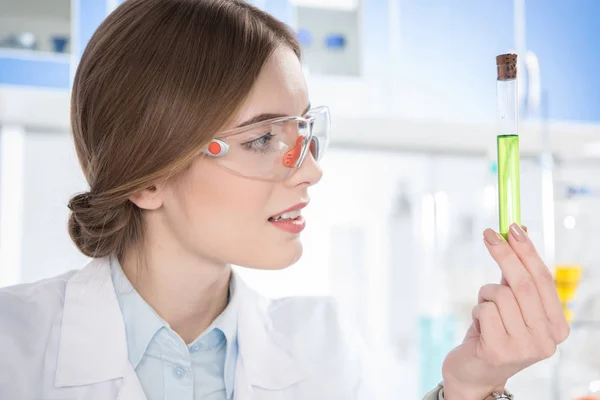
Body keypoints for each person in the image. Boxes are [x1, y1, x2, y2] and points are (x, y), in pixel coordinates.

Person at [0, 1, 569, 399]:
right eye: (264, 138)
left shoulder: (319, 343)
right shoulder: (12, 346)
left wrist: (470, 388)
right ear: (148, 178)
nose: (312, 170)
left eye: (303, 131)